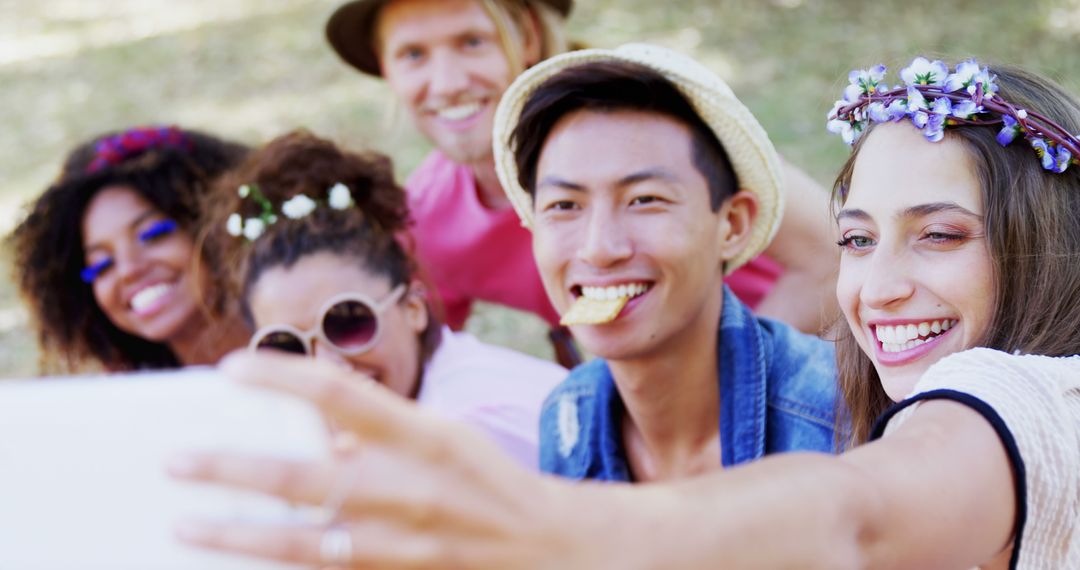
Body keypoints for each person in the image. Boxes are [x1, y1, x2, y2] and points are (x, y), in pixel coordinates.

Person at [173, 56, 1080, 569]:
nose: (877, 286)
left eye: (941, 235)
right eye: (854, 239)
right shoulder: (572, 416)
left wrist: (552, 530)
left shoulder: (1026, 405)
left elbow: (858, 520)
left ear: (733, 228)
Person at [325, 0, 839, 356]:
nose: (448, 82)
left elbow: (832, 256)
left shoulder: (653, 112)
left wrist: (721, 370)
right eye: (412, 54)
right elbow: (421, 354)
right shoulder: (427, 217)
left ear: (524, 36)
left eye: (472, 41)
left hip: (809, 355)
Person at [197, 130, 565, 467]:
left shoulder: (476, 428)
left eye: (347, 321)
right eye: (286, 347)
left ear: (413, 309)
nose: (327, 367)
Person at [8, 125, 250, 372]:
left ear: (218, 225)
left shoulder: (289, 346)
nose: (128, 270)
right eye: (101, 265)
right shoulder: (127, 402)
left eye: (153, 235)